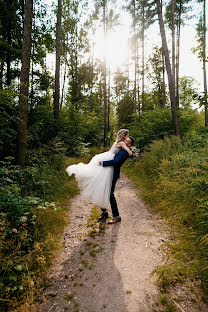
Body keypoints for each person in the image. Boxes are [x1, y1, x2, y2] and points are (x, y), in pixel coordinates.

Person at [65, 129, 132, 212]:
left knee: (101, 179)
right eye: (127, 135)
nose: (127, 137)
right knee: (100, 178)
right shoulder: (121, 143)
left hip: (108, 156)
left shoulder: (119, 142)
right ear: (124, 135)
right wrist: (130, 151)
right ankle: (104, 209)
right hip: (109, 157)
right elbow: (129, 153)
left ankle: (104, 210)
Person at [98, 136, 135, 224]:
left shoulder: (124, 152)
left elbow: (116, 162)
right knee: (103, 192)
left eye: (125, 140)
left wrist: (103, 163)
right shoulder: (120, 149)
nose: (123, 141)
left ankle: (117, 216)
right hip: (108, 173)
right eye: (124, 139)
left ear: (128, 144)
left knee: (110, 194)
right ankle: (104, 212)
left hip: (113, 174)